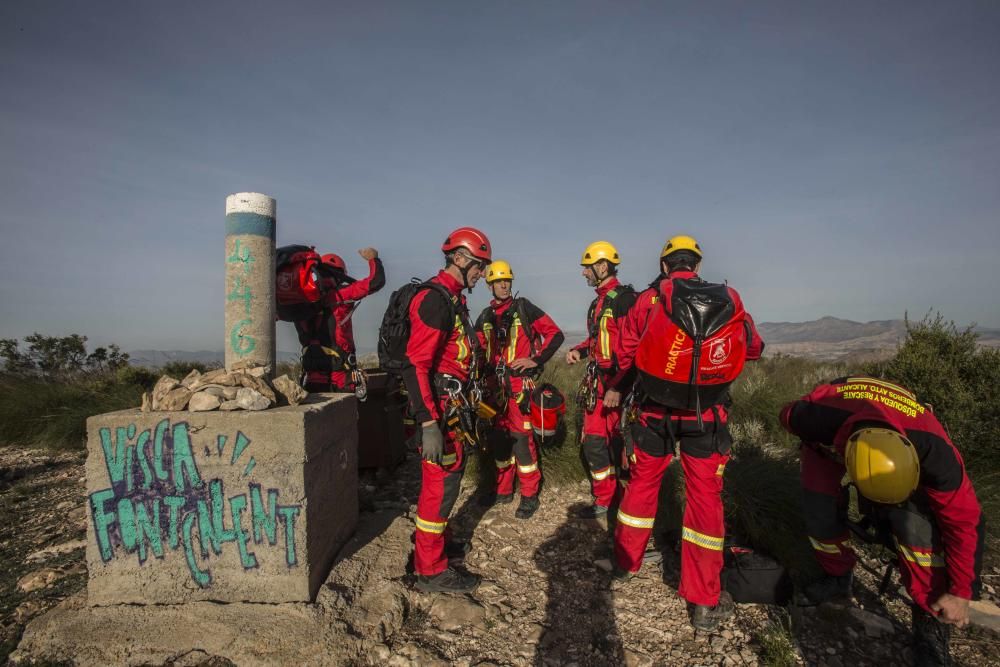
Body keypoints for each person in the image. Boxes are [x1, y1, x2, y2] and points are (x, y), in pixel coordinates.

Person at [608, 235, 764, 632]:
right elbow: (753, 347)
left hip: (654, 412)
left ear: (664, 266)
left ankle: (626, 564)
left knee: (642, 486)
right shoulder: (727, 297)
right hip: (706, 415)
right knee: (704, 502)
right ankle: (703, 600)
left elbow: (624, 351)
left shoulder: (650, 299)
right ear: (696, 265)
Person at [780, 376, 985, 666]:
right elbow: (787, 414)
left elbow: (965, 523)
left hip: (902, 430)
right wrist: (824, 450)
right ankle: (838, 577)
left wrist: (961, 592)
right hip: (832, 438)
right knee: (819, 509)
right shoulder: (810, 418)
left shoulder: (937, 456)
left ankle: (930, 624)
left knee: (918, 531)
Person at [404, 227, 492, 593]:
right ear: (459, 258)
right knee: (439, 488)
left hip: (452, 408)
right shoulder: (435, 300)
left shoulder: (453, 299)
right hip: (439, 411)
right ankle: (430, 569)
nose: (482, 274)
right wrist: (428, 422)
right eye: (479, 265)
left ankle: (438, 543)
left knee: (449, 483)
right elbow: (416, 364)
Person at [475, 260, 565, 519]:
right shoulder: (485, 316)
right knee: (500, 443)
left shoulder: (523, 307)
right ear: (490, 285)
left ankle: (529, 494)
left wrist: (535, 360)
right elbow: (478, 351)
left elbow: (555, 334)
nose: (504, 285)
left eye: (507, 281)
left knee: (522, 442)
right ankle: (503, 491)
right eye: (499, 281)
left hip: (519, 388)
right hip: (494, 389)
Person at [565, 241, 636, 519]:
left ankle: (630, 503)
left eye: (587, 267)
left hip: (622, 385)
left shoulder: (625, 299)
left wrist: (619, 386)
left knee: (624, 446)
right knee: (594, 441)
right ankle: (604, 499)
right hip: (598, 385)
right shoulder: (598, 302)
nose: (584, 273)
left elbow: (635, 346)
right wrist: (579, 351)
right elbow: (596, 340)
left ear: (602, 266)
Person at [296, 248, 384, 393]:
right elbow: (376, 281)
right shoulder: (341, 295)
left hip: (311, 380)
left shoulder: (301, 299)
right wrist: (373, 259)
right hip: (341, 379)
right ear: (341, 274)